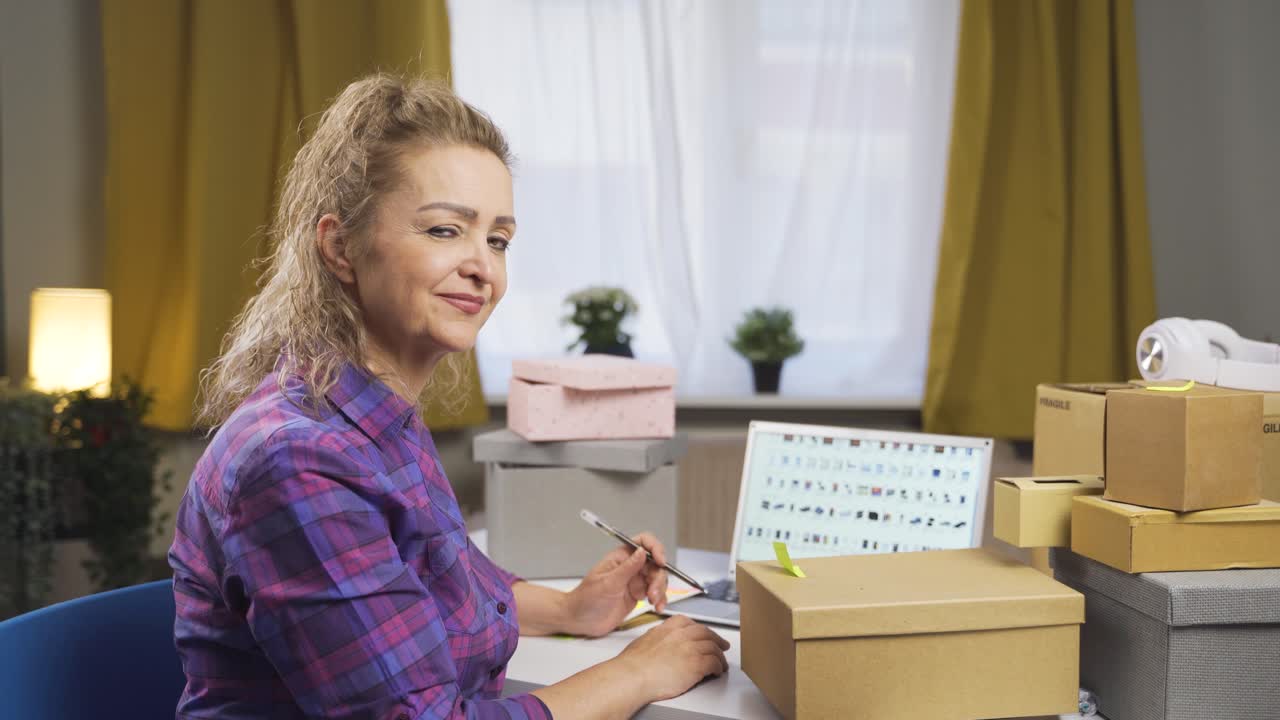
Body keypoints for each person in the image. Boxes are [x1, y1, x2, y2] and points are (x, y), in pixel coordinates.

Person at [169, 74, 729, 720]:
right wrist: (636, 674)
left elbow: (438, 583)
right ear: (340, 246)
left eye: (498, 240)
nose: (483, 268)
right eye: (444, 231)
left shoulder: (378, 418)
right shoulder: (296, 459)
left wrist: (575, 610)